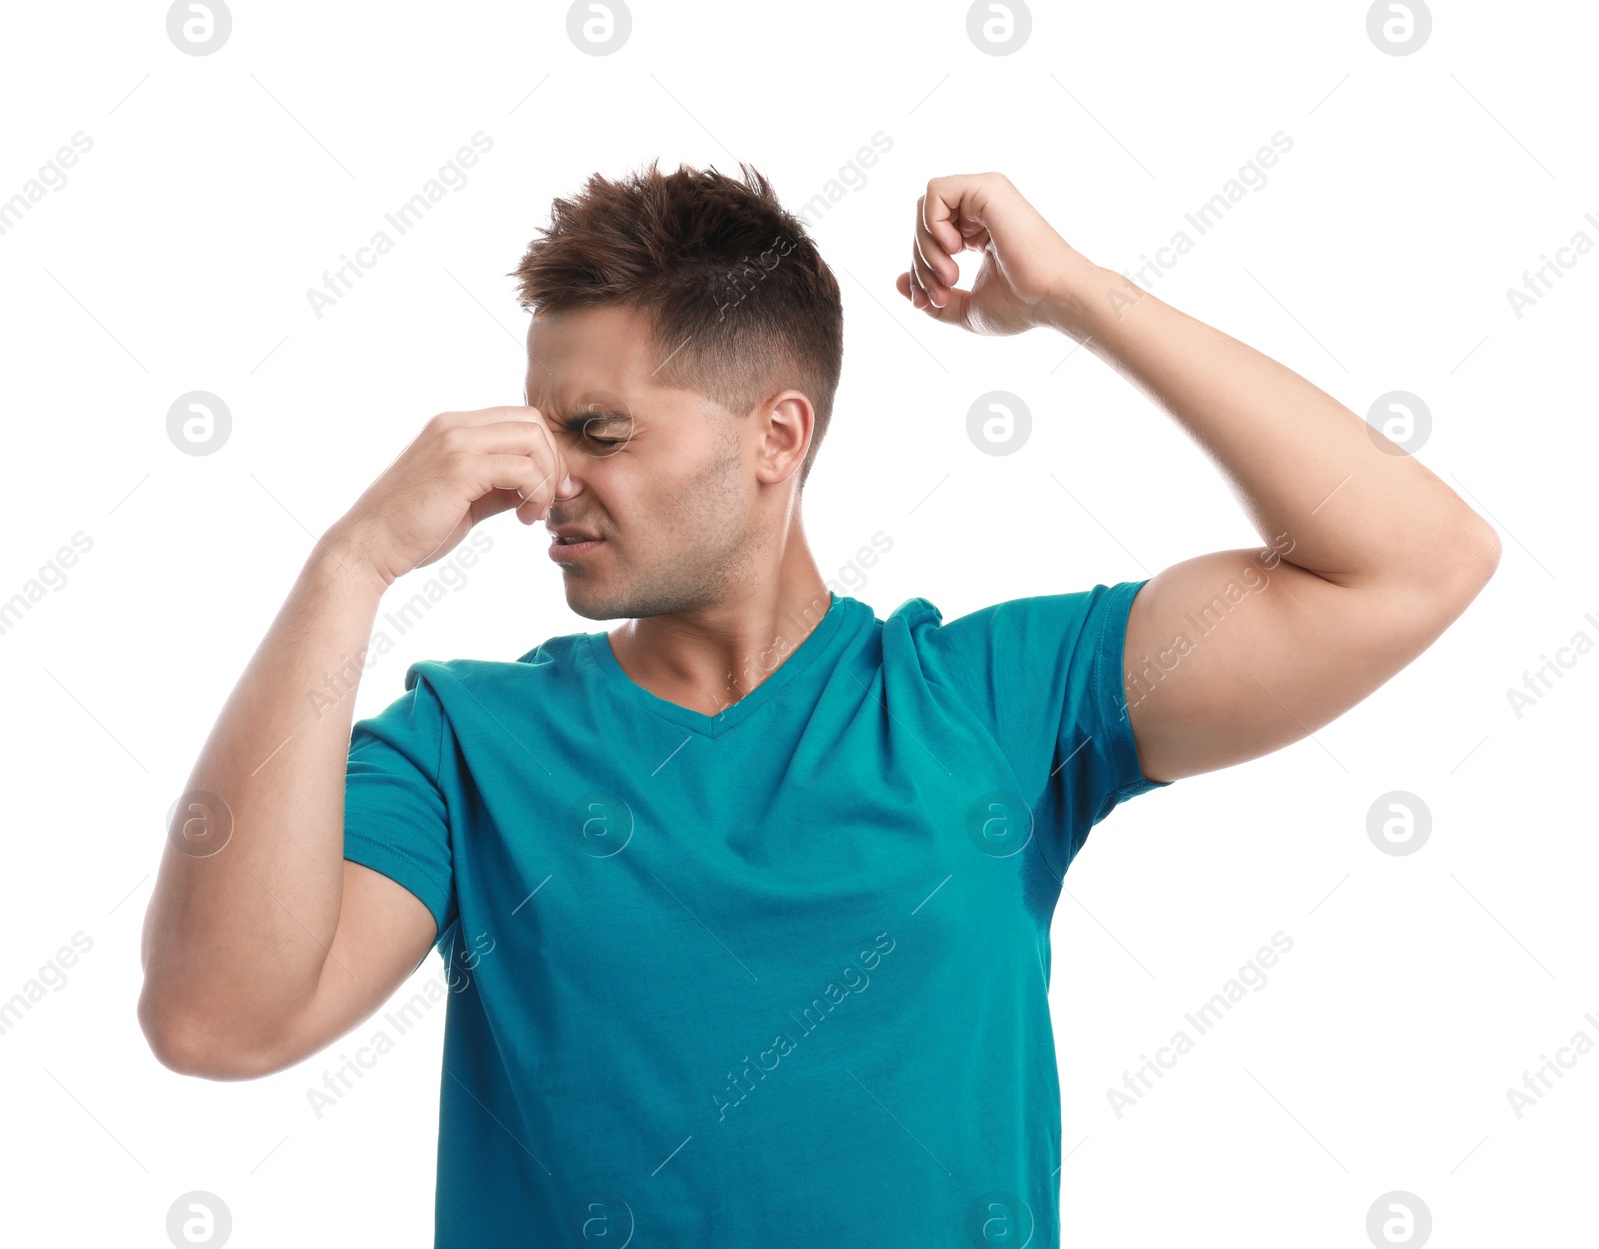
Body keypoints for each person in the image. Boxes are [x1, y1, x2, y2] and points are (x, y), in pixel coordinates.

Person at [137, 161, 1499, 1247]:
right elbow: (216, 1019)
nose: (547, 484)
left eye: (600, 433)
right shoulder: (465, 751)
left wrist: (1078, 295)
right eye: (544, 434)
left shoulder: (994, 704)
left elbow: (1413, 562)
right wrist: (352, 563)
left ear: (777, 437)